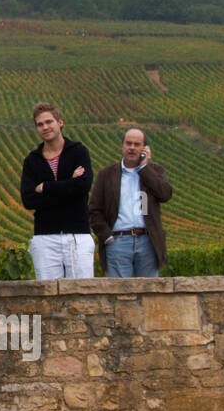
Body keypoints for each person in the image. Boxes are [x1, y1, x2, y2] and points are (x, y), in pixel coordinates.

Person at [19, 102, 94, 279]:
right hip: (45, 237)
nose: (45, 127)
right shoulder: (32, 160)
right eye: (40, 124)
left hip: (77, 236)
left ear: (60, 122)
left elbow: (82, 187)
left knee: (82, 295)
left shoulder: (78, 152)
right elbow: (28, 200)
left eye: (49, 122)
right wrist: (69, 184)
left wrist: (45, 187)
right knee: (48, 297)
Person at [88, 128, 173, 278]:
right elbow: (94, 210)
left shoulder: (155, 171)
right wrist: (107, 237)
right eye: (128, 143)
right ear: (122, 146)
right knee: (118, 295)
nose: (132, 148)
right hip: (117, 242)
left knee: (149, 293)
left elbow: (165, 194)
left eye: (137, 144)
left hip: (148, 241)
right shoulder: (106, 174)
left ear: (144, 149)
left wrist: (144, 168)